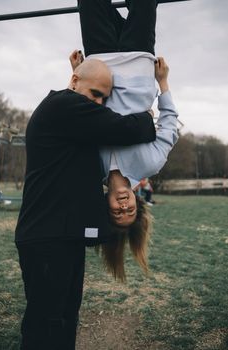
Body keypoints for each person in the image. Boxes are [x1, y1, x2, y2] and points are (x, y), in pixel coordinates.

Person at [15, 58, 156, 349]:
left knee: (65, 318)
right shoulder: (63, 106)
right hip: (47, 238)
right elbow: (127, 128)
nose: (100, 103)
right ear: (74, 81)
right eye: (95, 94)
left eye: (104, 98)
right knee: (46, 323)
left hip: (60, 236)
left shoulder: (73, 117)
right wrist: (147, 117)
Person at [73, 0, 179, 280]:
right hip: (139, 61)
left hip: (100, 61)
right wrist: (163, 82)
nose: (123, 206)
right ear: (137, 202)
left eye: (117, 213)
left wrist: (76, 78)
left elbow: (77, 117)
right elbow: (169, 124)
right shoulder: (151, 164)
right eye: (129, 211)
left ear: (106, 206)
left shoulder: (89, 167)